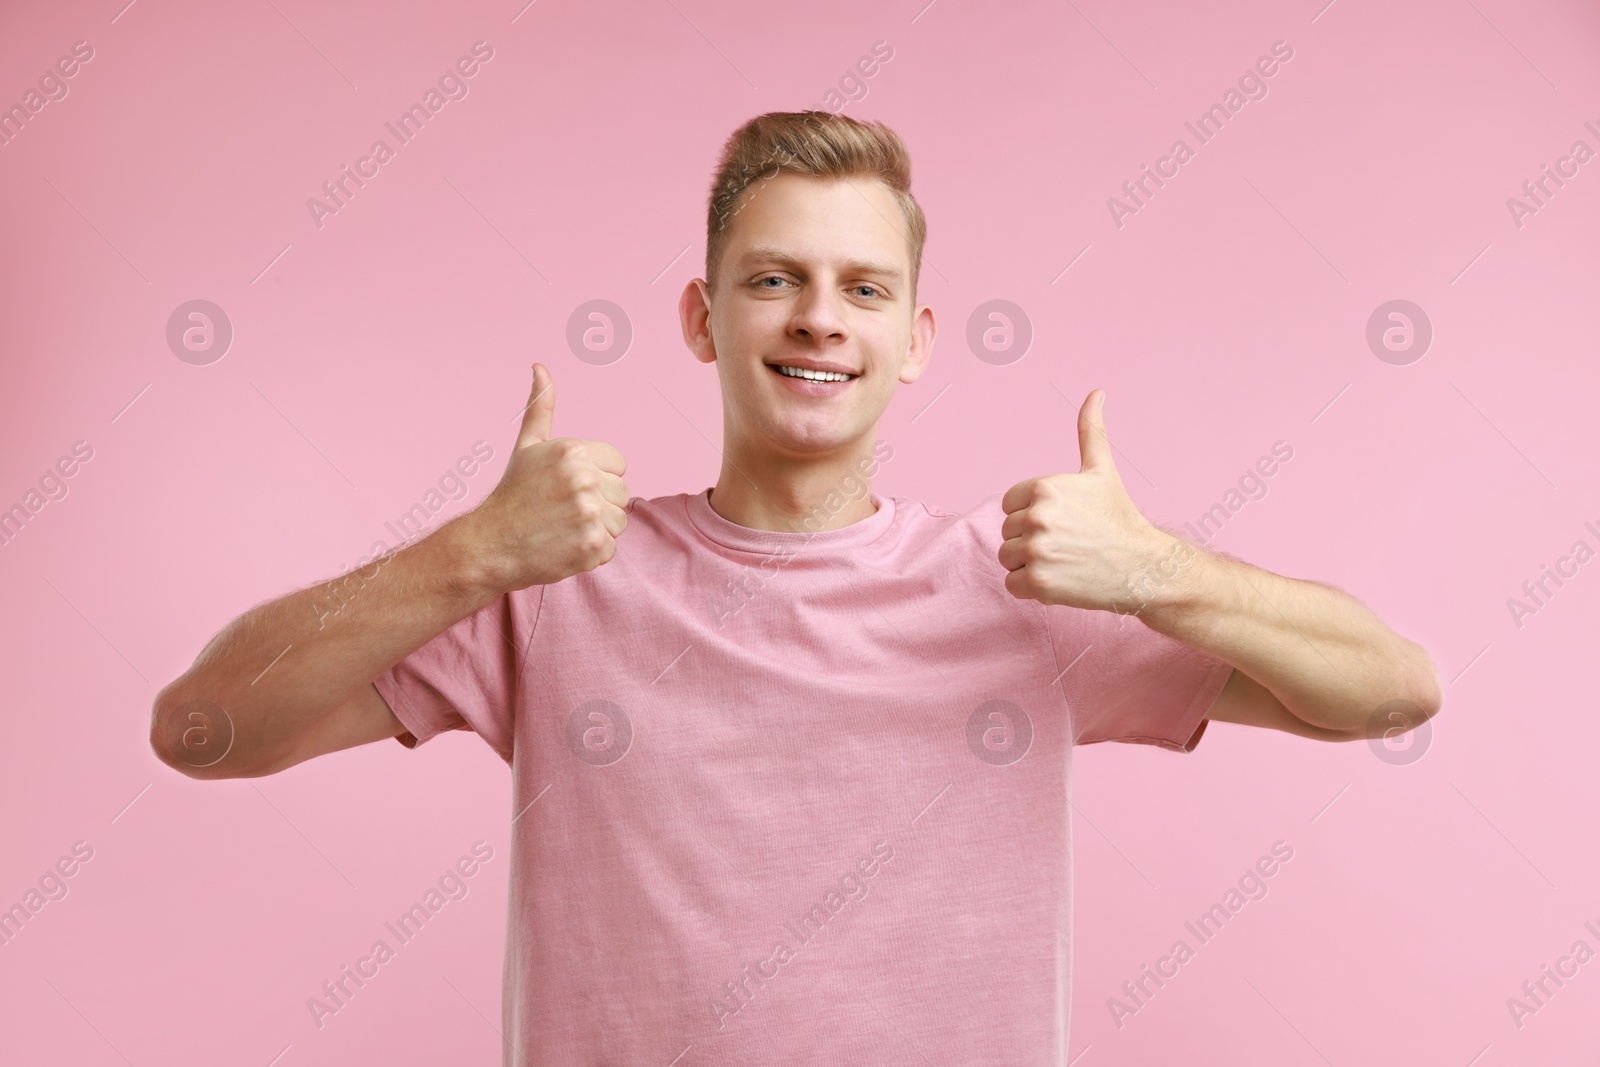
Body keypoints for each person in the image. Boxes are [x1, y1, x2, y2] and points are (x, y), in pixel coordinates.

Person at [150, 110, 1442, 1064]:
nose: (820, 318)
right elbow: (201, 728)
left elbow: (1391, 693)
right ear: (704, 318)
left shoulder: (1028, 587)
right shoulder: (553, 580)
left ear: (914, 339)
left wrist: (1158, 572)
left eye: (863, 289)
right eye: (774, 279)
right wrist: (471, 555)